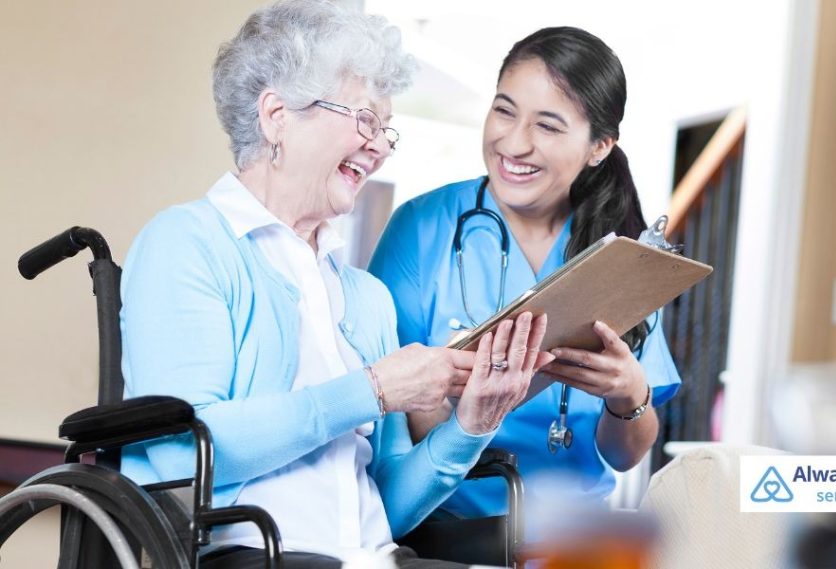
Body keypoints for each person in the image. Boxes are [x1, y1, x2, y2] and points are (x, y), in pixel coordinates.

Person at [119, 1, 550, 567]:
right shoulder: (188, 241)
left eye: (386, 130)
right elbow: (183, 454)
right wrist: (370, 389)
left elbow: (388, 508)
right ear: (277, 115)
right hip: (253, 553)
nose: (379, 145)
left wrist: (472, 422)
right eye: (365, 119)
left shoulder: (365, 298)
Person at [368, 27, 682, 526]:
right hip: (442, 533)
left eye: (548, 126)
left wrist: (629, 394)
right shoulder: (421, 227)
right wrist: (462, 400)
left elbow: (625, 456)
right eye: (504, 110)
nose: (513, 143)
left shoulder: (622, 256)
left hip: (572, 538)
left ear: (599, 146)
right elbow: (390, 412)